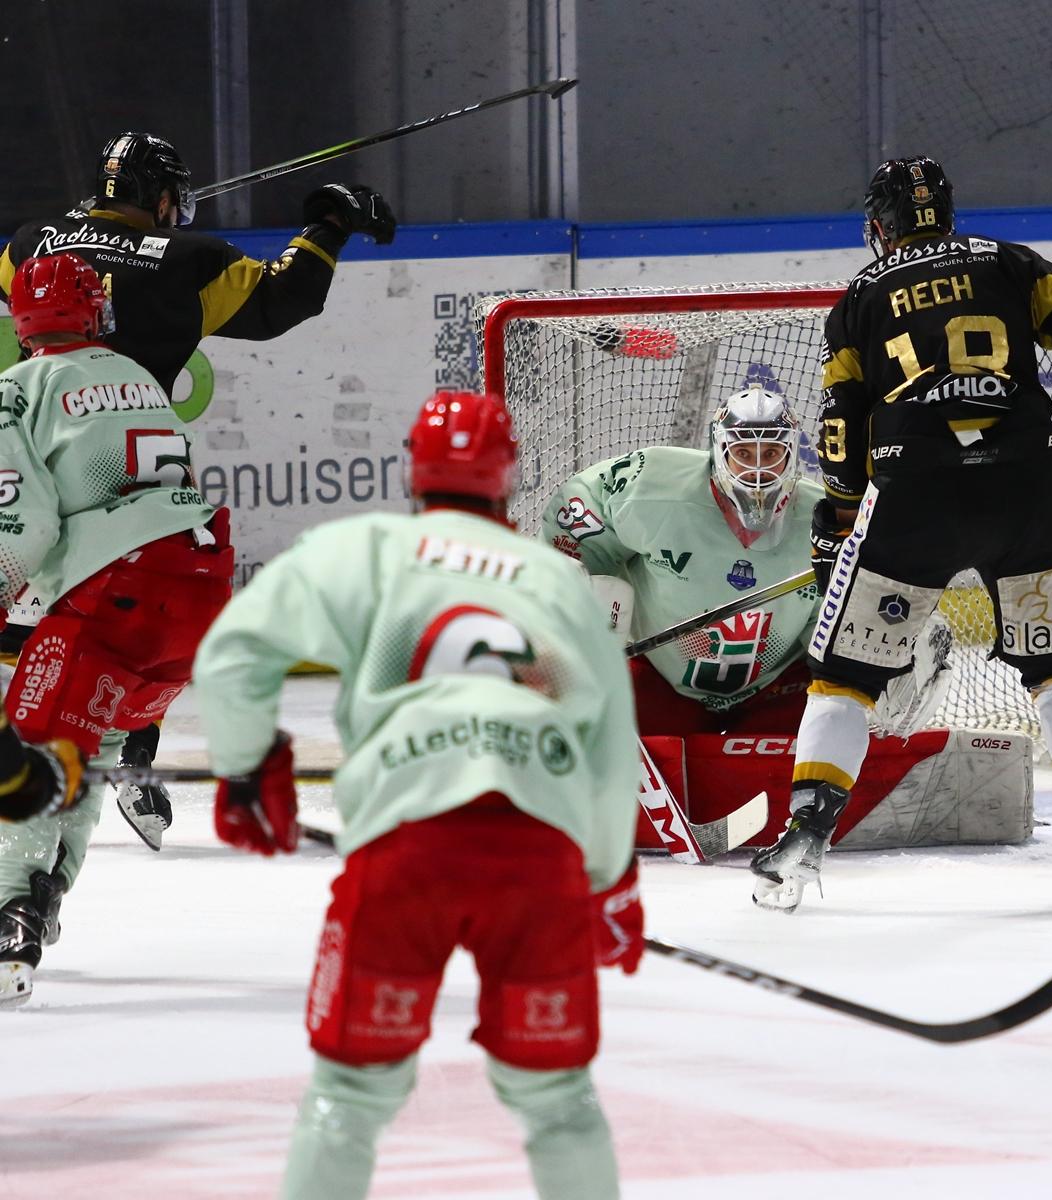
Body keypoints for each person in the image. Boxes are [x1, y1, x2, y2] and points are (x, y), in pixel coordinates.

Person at [191, 391, 641, 1200]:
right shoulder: (557, 580)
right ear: (508, 474)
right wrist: (609, 881)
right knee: (558, 1099)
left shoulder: (363, 549)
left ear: (414, 469)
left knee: (349, 1094)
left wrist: (248, 764)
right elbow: (610, 745)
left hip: (405, 849)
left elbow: (232, 653)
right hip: (537, 853)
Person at [750, 155, 1052, 911]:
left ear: (880, 227)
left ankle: (804, 835)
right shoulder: (1007, 262)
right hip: (1024, 487)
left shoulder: (860, 296)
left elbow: (840, 425)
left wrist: (839, 519)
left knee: (844, 679)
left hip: (915, 495)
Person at [0, 131, 395, 850]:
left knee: (30, 587)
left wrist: (87, 230)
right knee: (143, 593)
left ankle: (55, 756)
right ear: (160, 197)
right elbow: (282, 301)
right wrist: (329, 225)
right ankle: (127, 747)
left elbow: (38, 278)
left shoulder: (33, 242)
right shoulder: (190, 260)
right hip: (133, 450)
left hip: (40, 435)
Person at [542, 384, 952, 853]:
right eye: (743, 453)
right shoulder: (649, 485)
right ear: (719, 452)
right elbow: (574, 513)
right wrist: (576, 589)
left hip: (776, 687)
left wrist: (891, 655)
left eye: (771, 453)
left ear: (791, 457)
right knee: (584, 716)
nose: (757, 468)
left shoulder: (829, 521)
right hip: (661, 678)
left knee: (841, 721)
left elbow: (858, 610)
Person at [0, 252, 234, 1008]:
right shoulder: (138, 377)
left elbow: (24, 522)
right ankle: (40, 900)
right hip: (199, 586)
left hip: (117, 593)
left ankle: (11, 918)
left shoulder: (19, 389)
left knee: (30, 746)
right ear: (95, 313)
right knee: (89, 749)